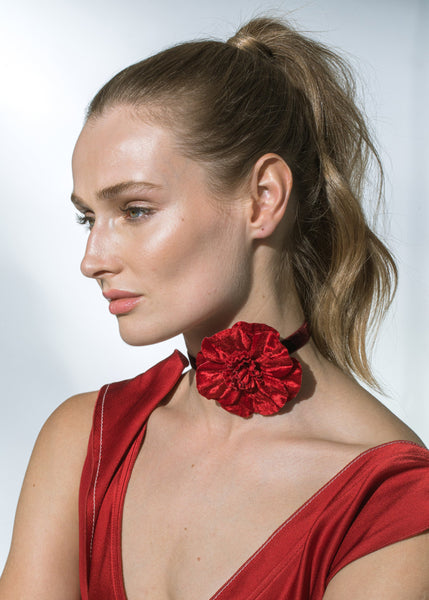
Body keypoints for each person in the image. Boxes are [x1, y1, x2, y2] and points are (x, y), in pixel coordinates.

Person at [1, 15, 428, 600]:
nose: (92, 259)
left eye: (135, 210)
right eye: (87, 218)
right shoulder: (84, 443)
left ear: (263, 199)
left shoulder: (391, 503)